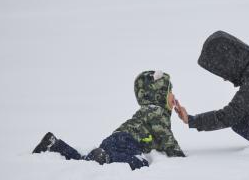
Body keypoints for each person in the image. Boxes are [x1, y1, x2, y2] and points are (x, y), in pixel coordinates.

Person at [33, 70, 185, 170]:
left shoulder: (149, 111)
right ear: (158, 94)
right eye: (170, 91)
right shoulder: (157, 111)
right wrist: (180, 158)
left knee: (88, 163)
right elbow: (167, 140)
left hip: (115, 139)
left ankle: (55, 145)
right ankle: (106, 158)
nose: (173, 95)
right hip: (128, 142)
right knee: (140, 162)